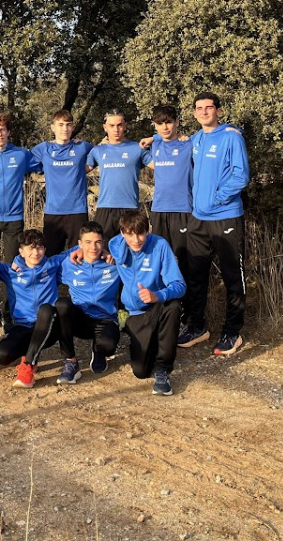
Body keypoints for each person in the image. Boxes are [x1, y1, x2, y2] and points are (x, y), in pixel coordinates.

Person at [177, 92, 250, 357]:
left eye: (209, 107)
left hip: (225, 216)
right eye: (199, 108)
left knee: (232, 277)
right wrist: (151, 139)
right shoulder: (196, 139)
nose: (204, 112)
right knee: (195, 276)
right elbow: (171, 142)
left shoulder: (231, 137)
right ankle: (197, 327)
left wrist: (217, 198)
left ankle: (232, 332)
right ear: (194, 113)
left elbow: (241, 175)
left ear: (218, 111)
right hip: (198, 219)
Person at [107, 210, 185, 395]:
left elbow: (179, 285)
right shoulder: (114, 245)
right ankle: (151, 340)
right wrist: (77, 252)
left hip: (157, 305)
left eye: (141, 233)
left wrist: (157, 295)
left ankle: (163, 370)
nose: (136, 240)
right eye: (130, 234)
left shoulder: (160, 245)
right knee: (140, 371)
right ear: (122, 233)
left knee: (173, 306)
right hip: (135, 313)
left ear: (148, 230)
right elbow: (90, 248)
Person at [0, 112, 41, 324]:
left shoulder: (21, 155)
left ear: (8, 132)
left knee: (13, 266)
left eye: (2, 130)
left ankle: (9, 312)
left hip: (14, 219)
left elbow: (44, 163)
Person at [0, 229, 64, 389]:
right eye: (30, 248)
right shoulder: (10, 271)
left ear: (45, 249)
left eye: (39, 248)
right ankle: (29, 355)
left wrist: (104, 253)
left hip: (48, 327)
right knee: (1, 355)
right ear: (21, 251)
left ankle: (28, 365)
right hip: (23, 325)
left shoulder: (52, 264)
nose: (36, 253)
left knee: (46, 309)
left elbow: (81, 247)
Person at [55, 221, 121, 384]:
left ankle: (99, 351)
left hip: (105, 319)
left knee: (108, 346)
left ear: (103, 243)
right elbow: (43, 264)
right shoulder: (69, 263)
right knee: (62, 305)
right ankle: (70, 362)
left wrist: (110, 252)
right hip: (81, 319)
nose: (93, 247)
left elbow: (131, 247)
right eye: (88, 242)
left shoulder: (114, 263)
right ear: (80, 244)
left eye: (98, 242)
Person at [30, 110, 93, 256]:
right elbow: (21, 158)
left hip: (77, 211)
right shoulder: (43, 148)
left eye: (68, 125)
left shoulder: (82, 147)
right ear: (53, 127)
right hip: (53, 212)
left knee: (79, 256)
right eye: (60, 125)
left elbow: (102, 153)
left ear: (73, 127)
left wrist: (83, 170)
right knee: (50, 256)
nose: (65, 129)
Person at [86, 109, 152, 244]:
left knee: (132, 247)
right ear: (105, 127)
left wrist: (161, 139)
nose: (116, 129)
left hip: (130, 208)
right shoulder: (97, 150)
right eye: (111, 125)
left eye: (119, 125)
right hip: (105, 208)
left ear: (125, 126)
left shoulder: (137, 148)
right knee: (102, 248)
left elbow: (162, 166)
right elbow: (78, 171)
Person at [144, 105, 193, 286]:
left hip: (183, 210)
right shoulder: (155, 144)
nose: (164, 127)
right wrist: (153, 137)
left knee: (184, 259)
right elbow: (159, 137)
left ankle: (184, 300)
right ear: (155, 125)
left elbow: (207, 135)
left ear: (177, 122)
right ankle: (163, 298)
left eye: (169, 122)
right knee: (159, 258)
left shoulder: (188, 144)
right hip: (159, 210)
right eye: (160, 123)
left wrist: (230, 128)